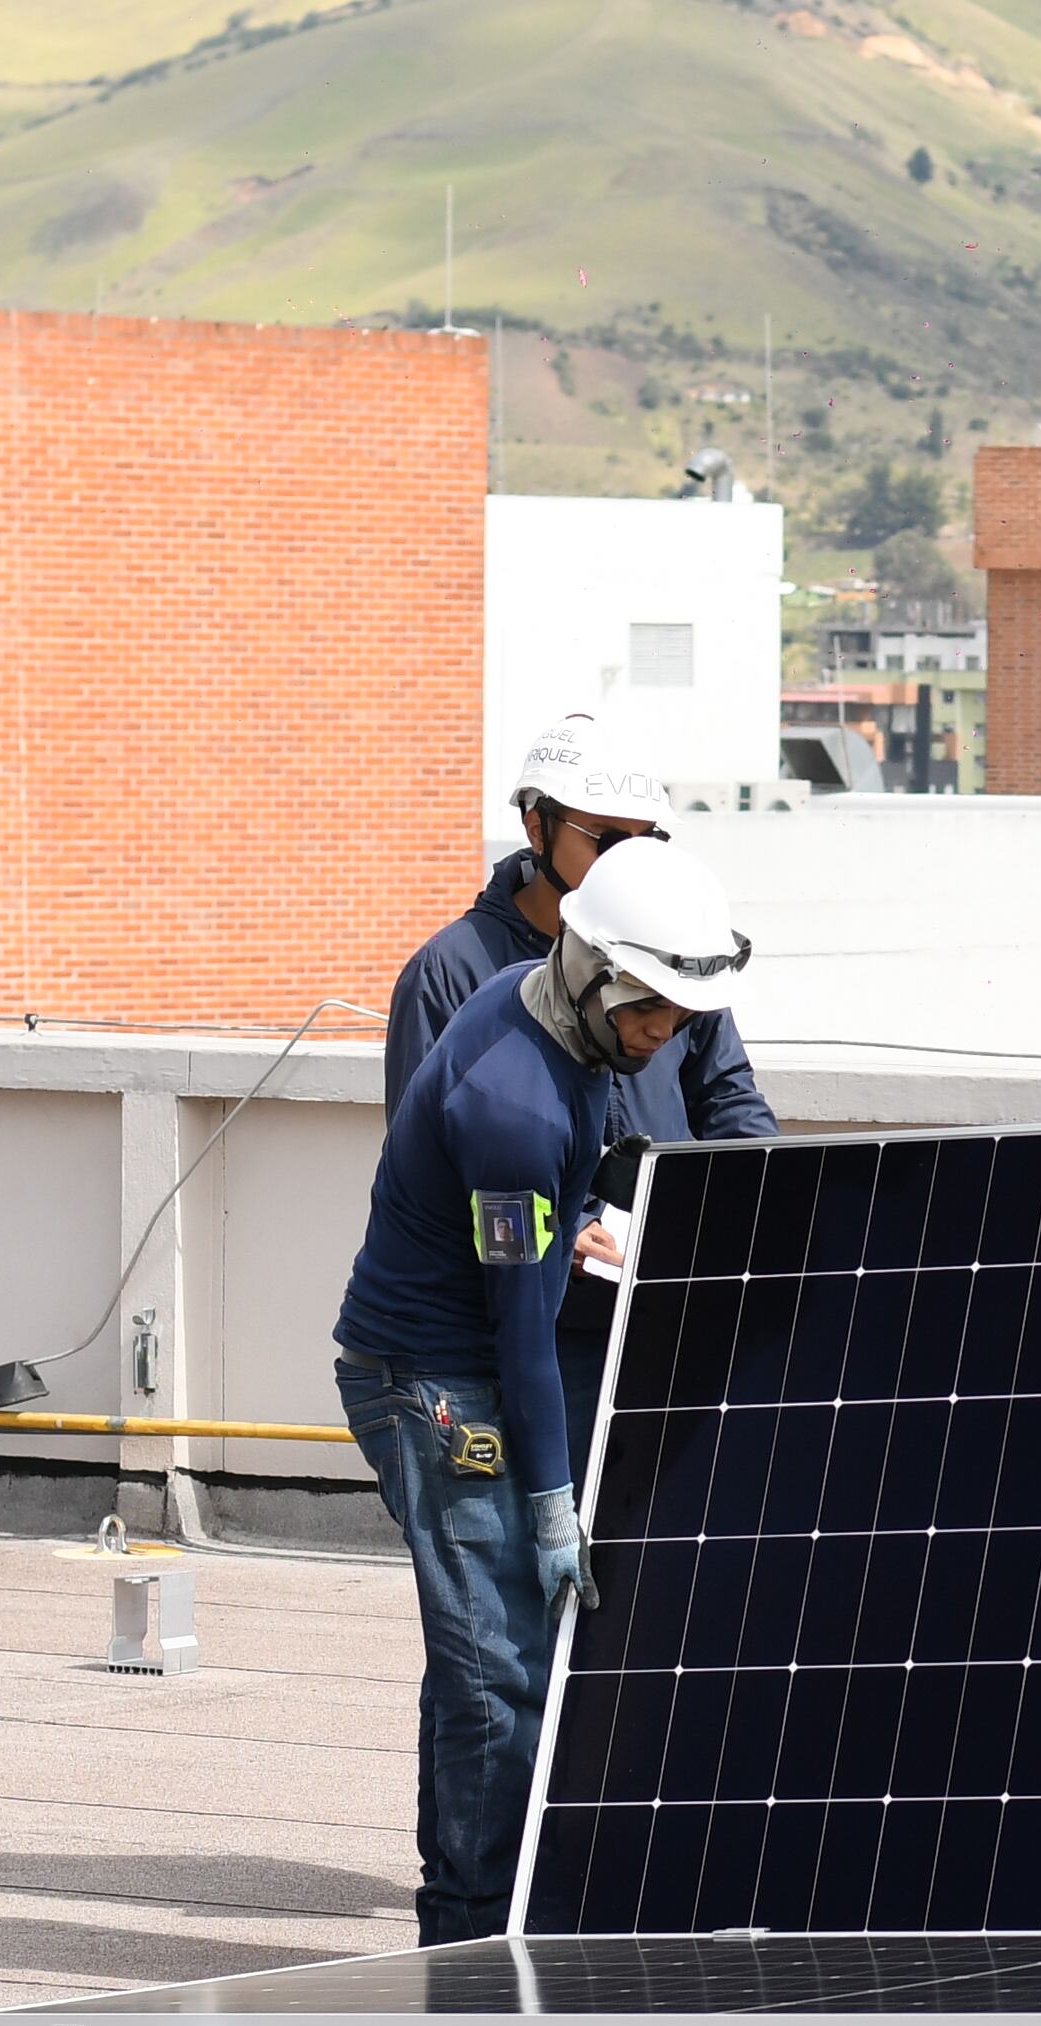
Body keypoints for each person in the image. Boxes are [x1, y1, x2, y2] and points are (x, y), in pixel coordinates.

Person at [334, 836, 755, 1943]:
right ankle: (473, 1937)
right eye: (653, 1010)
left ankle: (475, 1905)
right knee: (502, 1671)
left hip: (475, 1346)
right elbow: (519, 1337)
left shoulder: (543, 1016)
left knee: (478, 1649)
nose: (667, 1036)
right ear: (593, 974)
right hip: (434, 1382)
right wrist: (550, 1508)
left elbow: (523, 1255)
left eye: (684, 1015)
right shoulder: (519, 1104)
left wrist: (575, 1231)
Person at [387, 705, 775, 1142]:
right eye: (606, 839)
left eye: (647, 838)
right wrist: (577, 1213)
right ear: (538, 829)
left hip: (664, 1209)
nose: (630, 859)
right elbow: (420, 1149)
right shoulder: (449, 971)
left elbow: (727, 1098)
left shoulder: (679, 938)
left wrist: (766, 1186)